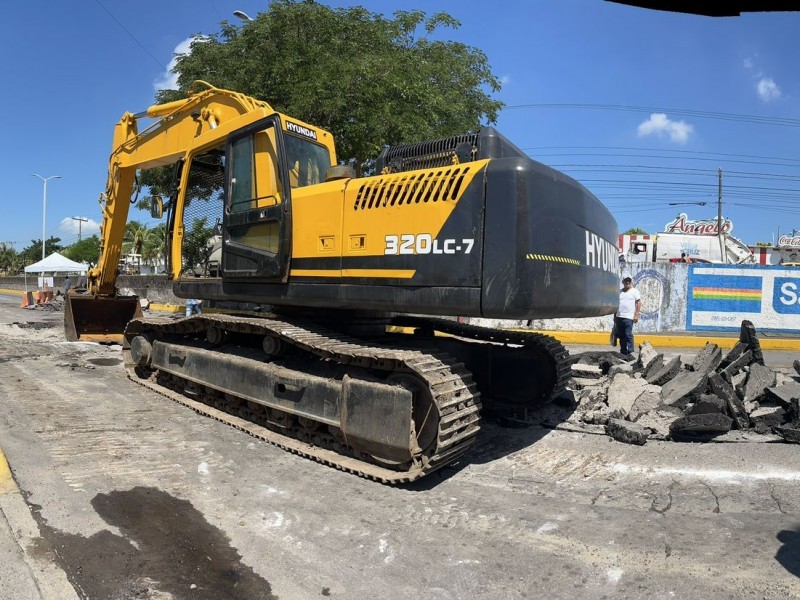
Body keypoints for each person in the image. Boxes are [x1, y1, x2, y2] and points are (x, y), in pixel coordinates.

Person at [615, 276, 641, 360]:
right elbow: (616, 305)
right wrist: (614, 316)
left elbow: (638, 302)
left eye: (629, 281)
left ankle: (630, 352)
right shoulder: (619, 292)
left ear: (631, 282)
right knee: (621, 335)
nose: (627, 283)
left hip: (629, 317)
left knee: (628, 334)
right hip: (619, 316)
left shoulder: (635, 291)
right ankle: (623, 352)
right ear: (623, 282)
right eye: (626, 281)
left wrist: (636, 314)